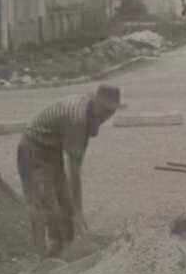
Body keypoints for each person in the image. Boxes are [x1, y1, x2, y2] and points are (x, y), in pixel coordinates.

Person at [17, 84, 122, 257]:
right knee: (45, 203)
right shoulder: (78, 119)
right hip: (33, 148)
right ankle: (41, 258)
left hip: (52, 149)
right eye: (104, 110)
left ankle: (68, 248)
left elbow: (76, 157)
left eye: (111, 111)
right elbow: (74, 171)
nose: (107, 116)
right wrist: (79, 212)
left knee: (65, 202)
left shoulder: (92, 115)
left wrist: (75, 210)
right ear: (96, 102)